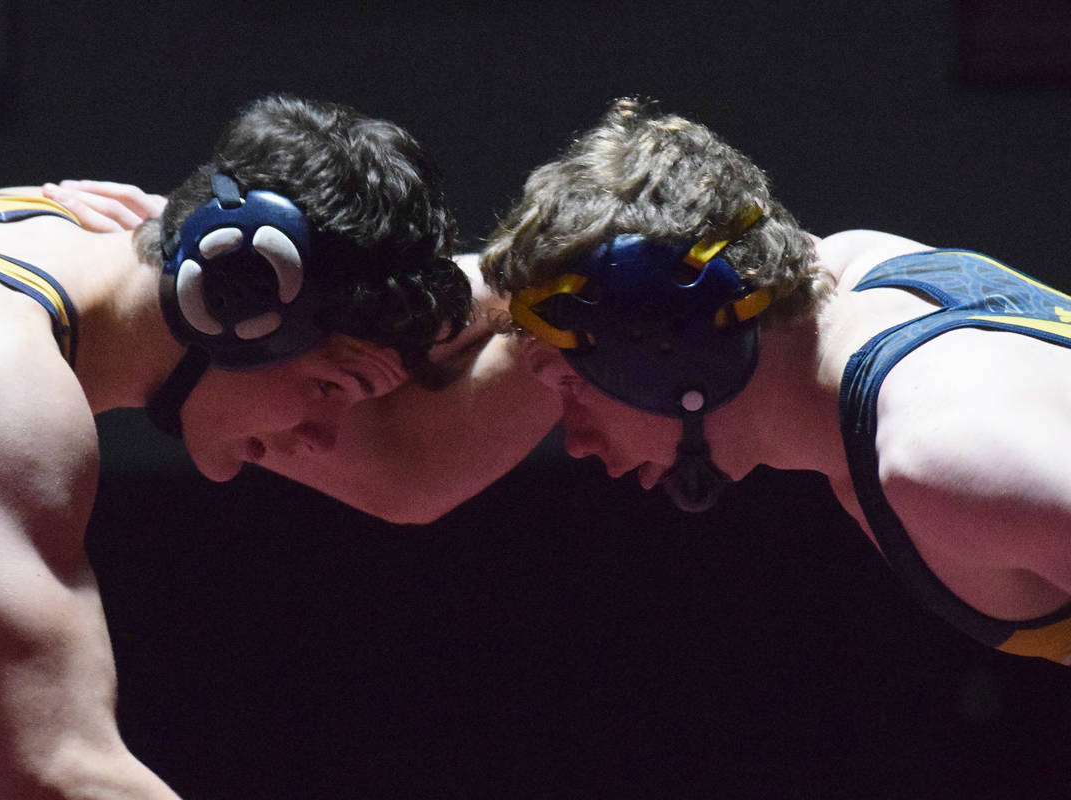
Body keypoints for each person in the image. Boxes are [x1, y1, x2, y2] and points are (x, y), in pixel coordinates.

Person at [56, 96, 1071, 667]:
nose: (570, 436)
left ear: (663, 355)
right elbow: (657, 234)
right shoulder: (848, 275)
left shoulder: (943, 451)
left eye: (566, 383)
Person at [0, 93, 475, 799]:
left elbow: (409, 475)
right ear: (228, 306)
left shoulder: (57, 230)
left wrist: (528, 288)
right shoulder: (3, 393)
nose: (323, 436)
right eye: (329, 389)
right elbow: (60, 771)